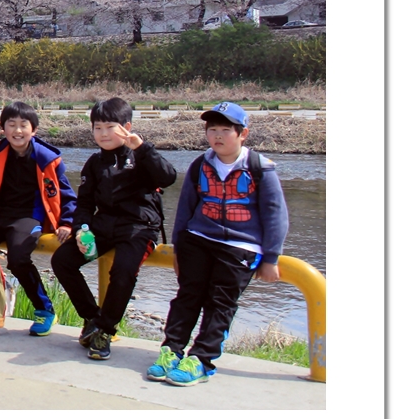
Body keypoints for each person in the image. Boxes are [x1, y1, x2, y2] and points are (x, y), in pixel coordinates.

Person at [147, 102, 289, 386]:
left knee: (220, 303)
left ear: (243, 134)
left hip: (241, 246)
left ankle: (201, 359)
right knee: (188, 296)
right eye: (212, 130)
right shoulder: (200, 165)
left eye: (225, 130)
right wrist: (178, 247)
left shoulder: (260, 168)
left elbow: (276, 214)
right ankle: (171, 350)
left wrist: (271, 257)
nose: (218, 136)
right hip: (198, 240)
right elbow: (186, 208)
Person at [51, 97, 177, 360]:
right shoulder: (94, 163)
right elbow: (85, 203)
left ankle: (105, 330)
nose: (103, 134)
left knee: (122, 271)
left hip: (139, 227)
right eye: (97, 128)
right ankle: (92, 317)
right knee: (62, 260)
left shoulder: (141, 155)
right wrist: (81, 229)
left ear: (126, 127)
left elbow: (168, 177)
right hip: (104, 225)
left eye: (110, 127)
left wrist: (142, 148)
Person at [0, 101, 77, 337]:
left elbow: (66, 194)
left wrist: (67, 223)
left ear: (34, 130)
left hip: (28, 217)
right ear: (3, 128)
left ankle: (44, 309)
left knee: (18, 258)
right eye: (11, 124)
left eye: (23, 125)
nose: (17, 130)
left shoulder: (47, 158)